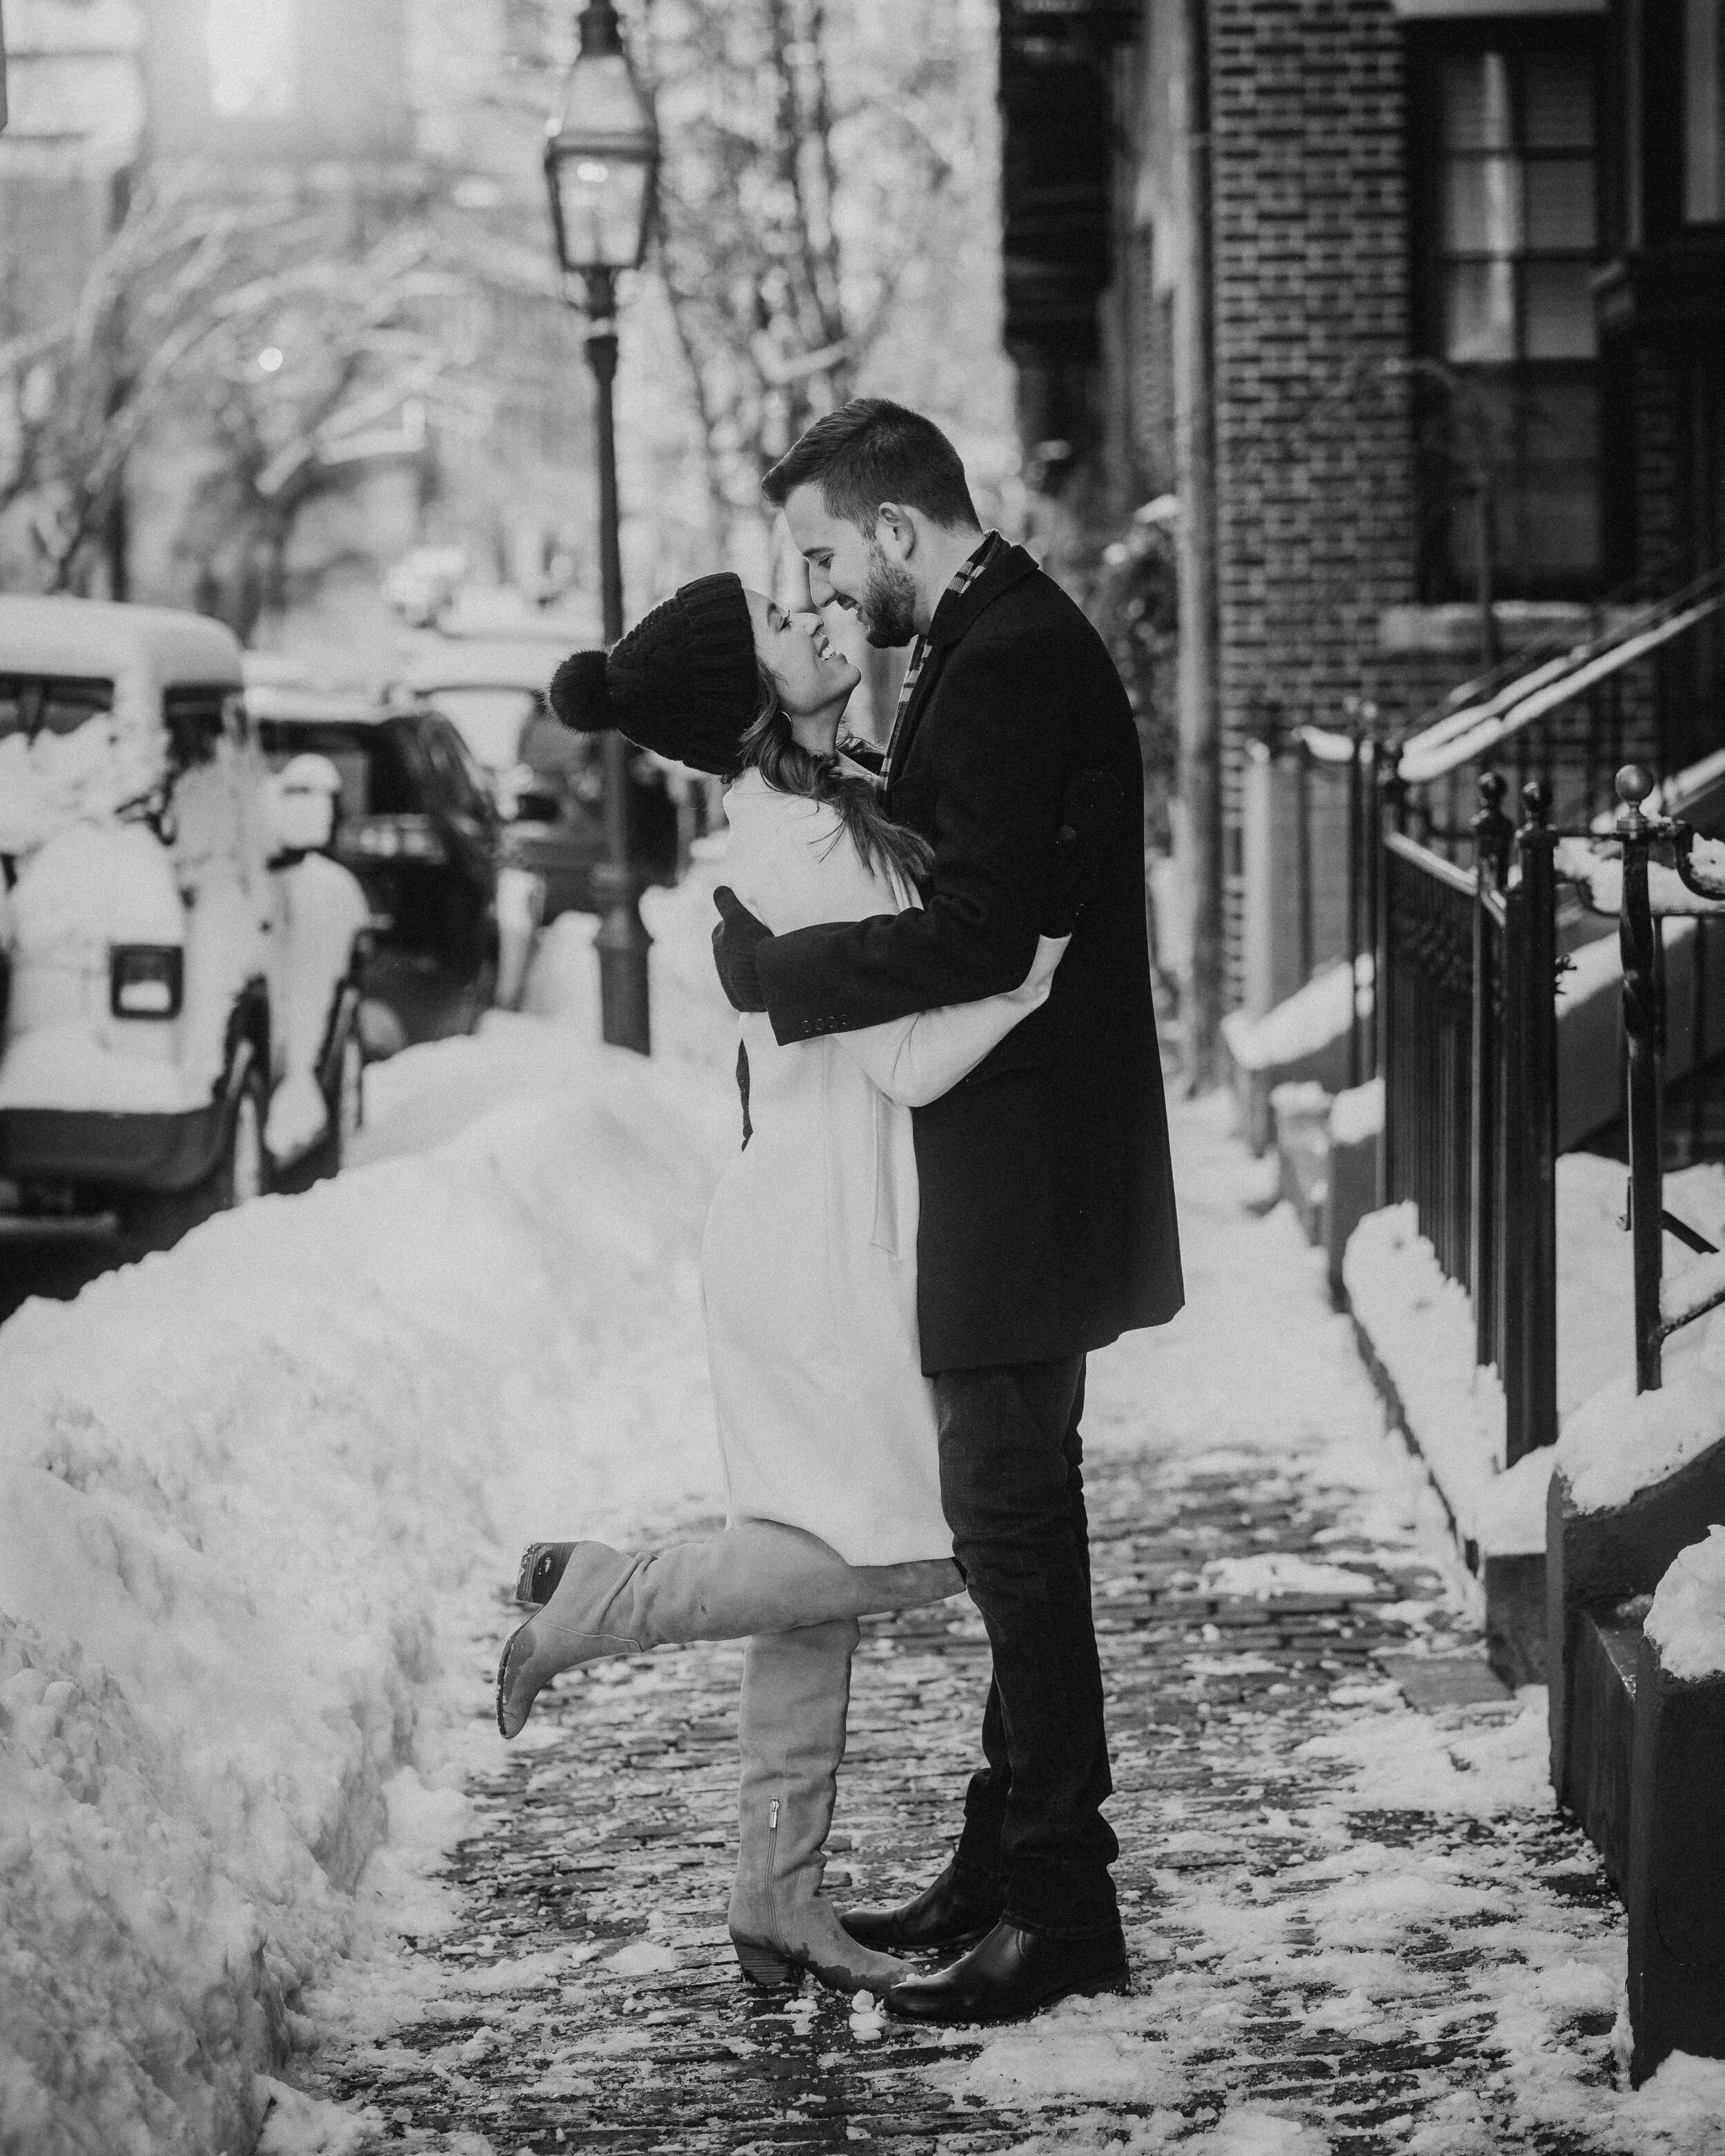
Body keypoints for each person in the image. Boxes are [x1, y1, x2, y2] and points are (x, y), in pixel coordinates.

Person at [496, 570, 1118, 2001]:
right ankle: (609, 1594)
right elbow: (910, 1052)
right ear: (747, 695)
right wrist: (1040, 950)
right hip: (828, 1245)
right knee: (912, 1549)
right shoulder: (802, 846)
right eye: (785, 623)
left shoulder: (825, 807)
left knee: (810, 1579)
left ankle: (774, 1893)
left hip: (815, 1222)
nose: (823, 616)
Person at [711, 399, 1183, 2028]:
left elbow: (980, 933)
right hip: (1014, 1163)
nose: (833, 595)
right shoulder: (990, 640)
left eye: (833, 555)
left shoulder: (1007, 659)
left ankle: (1062, 1905)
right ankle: (1005, 1861)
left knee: (1014, 1539)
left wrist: (781, 978)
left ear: (898, 529)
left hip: (1023, 1173)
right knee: (1014, 1521)